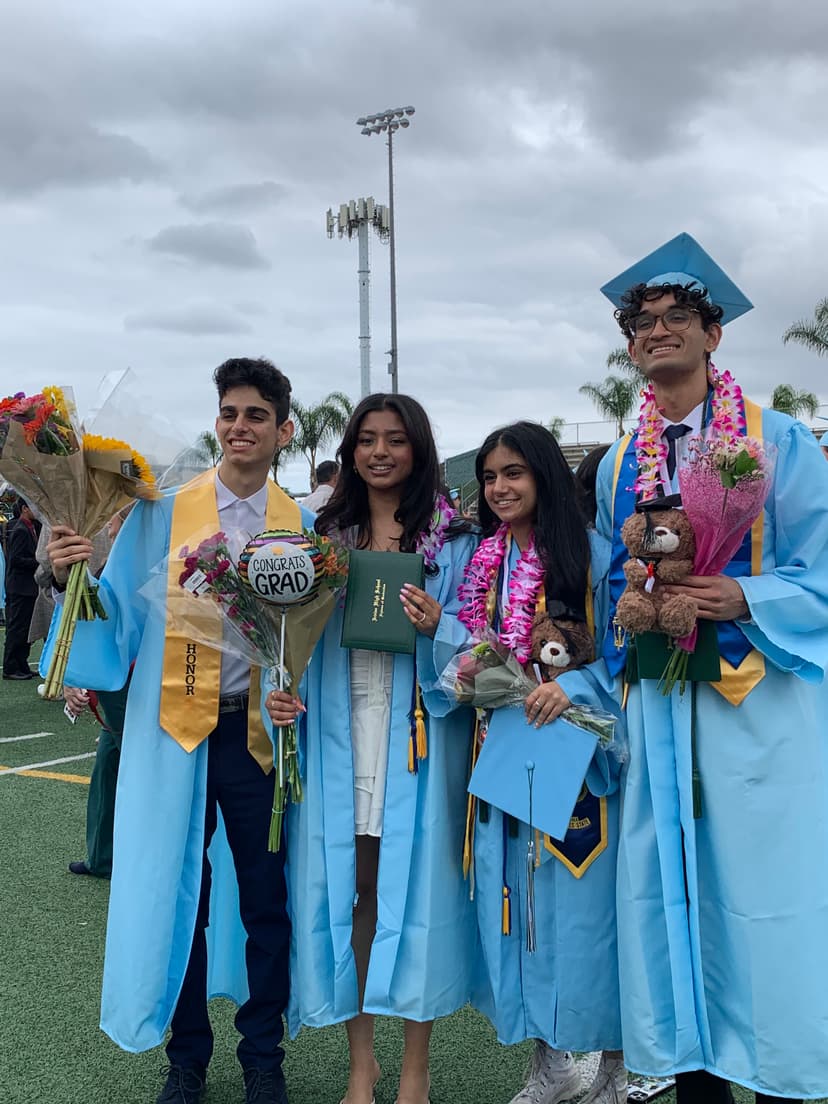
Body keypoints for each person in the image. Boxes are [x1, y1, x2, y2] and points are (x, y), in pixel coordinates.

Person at [564, 233, 828, 1103]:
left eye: (680, 316)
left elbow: (821, 567)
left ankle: (786, 1077)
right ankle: (694, 1086)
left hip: (757, 704)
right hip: (658, 708)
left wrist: (744, 598)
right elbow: (607, 587)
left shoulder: (777, 440)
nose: (660, 331)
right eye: (644, 322)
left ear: (715, 335)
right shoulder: (612, 467)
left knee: (766, 893)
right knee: (664, 893)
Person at [46, 357, 311, 1104]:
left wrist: (299, 698)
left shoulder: (304, 527)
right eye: (229, 413)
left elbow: (312, 645)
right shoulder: (164, 511)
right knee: (179, 897)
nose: (239, 427)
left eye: (257, 415)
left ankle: (265, 1055)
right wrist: (72, 576)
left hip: (259, 738)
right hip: (177, 734)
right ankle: (186, 1055)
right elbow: (118, 617)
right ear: (217, 421)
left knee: (267, 900)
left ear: (283, 429)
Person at [266, 394, 483, 1104]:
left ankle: (415, 1069)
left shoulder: (454, 542)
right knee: (353, 891)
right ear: (352, 450)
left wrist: (439, 626)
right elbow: (287, 638)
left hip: (420, 732)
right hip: (339, 727)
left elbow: (483, 652)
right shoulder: (321, 535)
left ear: (418, 449)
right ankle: (363, 1063)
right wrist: (282, 687)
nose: (380, 451)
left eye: (395, 439)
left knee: (416, 891)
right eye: (367, 439)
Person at [456, 422, 625, 1104]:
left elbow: (623, 654)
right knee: (522, 906)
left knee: (589, 912)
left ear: (545, 477)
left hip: (578, 758)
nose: (499, 488)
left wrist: (573, 688)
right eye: (491, 476)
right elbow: (470, 643)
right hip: (507, 749)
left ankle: (615, 1065)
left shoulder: (591, 557)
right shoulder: (483, 562)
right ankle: (550, 1062)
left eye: (514, 474)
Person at [65, 506, 134, 879]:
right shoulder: (113, 566)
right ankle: (102, 856)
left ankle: (131, 855)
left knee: (135, 768)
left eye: (114, 520)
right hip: (114, 685)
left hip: (130, 685)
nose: (108, 527)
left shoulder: (131, 566)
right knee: (107, 765)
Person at [3, 499, 41, 679]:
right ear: (25, 509)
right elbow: (16, 559)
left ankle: (22, 664)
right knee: (17, 628)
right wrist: (39, 562)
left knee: (25, 629)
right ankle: (11, 667)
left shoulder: (30, 527)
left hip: (28, 587)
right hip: (19, 587)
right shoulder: (20, 530)